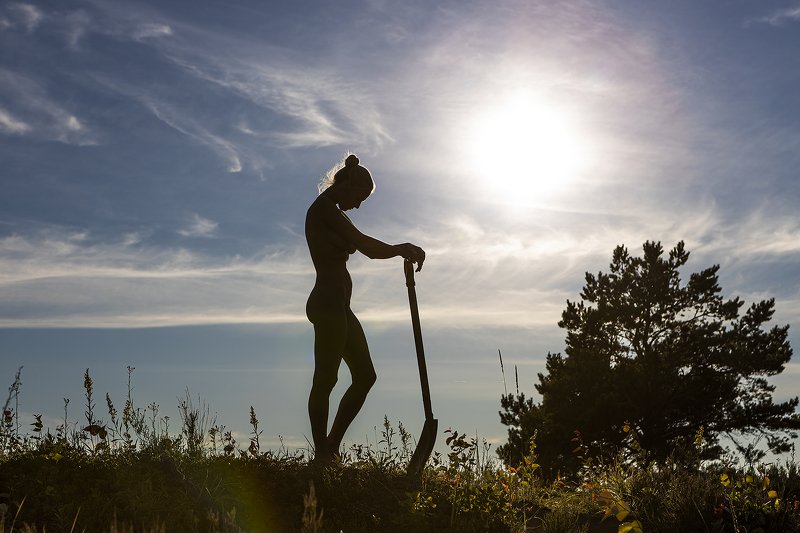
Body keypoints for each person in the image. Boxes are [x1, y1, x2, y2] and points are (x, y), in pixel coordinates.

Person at [305, 154, 425, 464]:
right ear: (345, 184)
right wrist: (400, 249)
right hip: (327, 304)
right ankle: (322, 454)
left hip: (341, 307)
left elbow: (361, 242)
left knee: (365, 376)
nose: (358, 205)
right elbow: (366, 247)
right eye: (358, 197)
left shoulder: (337, 214)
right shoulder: (322, 210)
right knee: (326, 379)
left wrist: (400, 250)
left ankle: (331, 446)